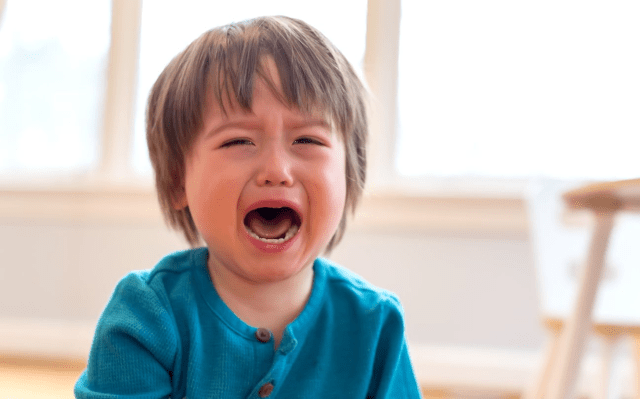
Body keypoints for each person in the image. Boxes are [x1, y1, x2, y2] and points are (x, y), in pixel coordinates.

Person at [75, 15, 422, 398]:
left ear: (349, 174)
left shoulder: (375, 326)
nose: (277, 171)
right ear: (178, 181)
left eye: (307, 139)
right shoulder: (146, 317)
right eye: (238, 141)